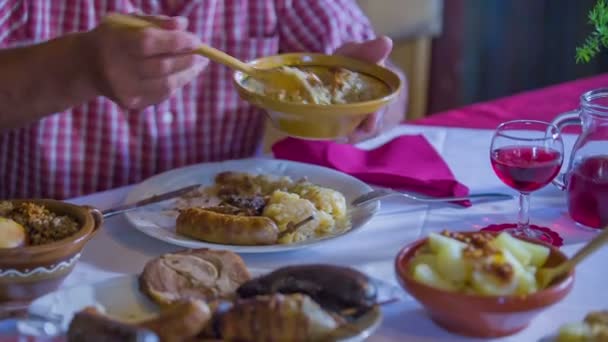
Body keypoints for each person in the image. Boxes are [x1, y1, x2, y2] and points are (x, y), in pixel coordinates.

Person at [0, 0, 408, 199]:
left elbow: (383, 87)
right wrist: (78, 66)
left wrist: (365, 101)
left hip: (230, 239)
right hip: (51, 249)